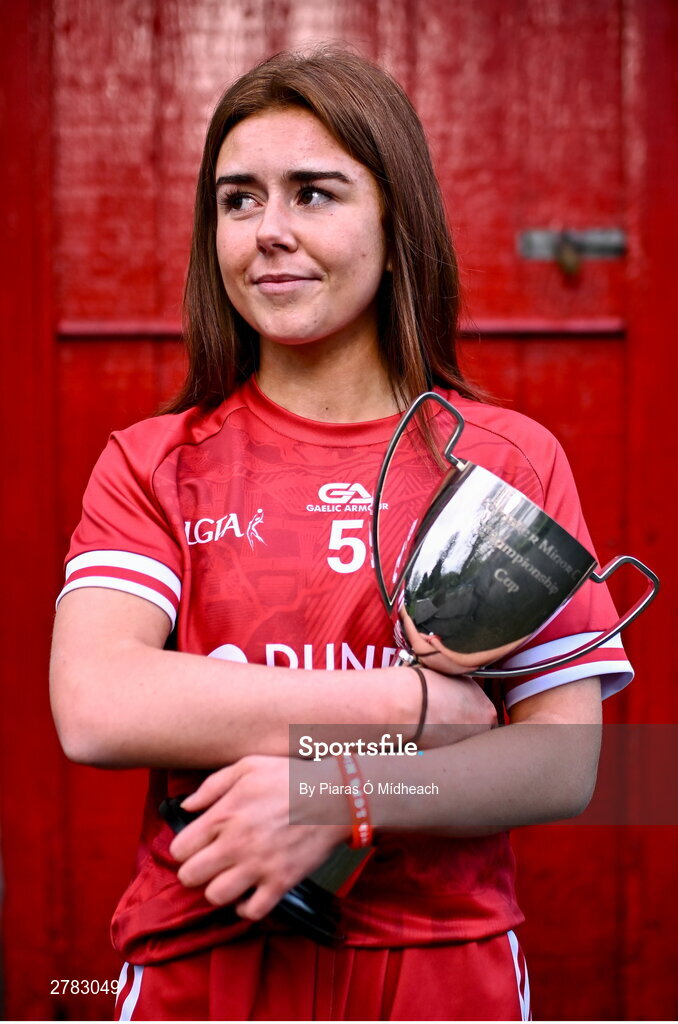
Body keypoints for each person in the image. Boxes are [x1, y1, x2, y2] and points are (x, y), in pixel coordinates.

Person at [49, 47, 633, 1022]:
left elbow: (564, 761)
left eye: (313, 193)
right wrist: (407, 700)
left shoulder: (502, 462)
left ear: (398, 228)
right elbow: (99, 704)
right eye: (238, 201)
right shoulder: (154, 461)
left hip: (443, 963)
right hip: (200, 957)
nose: (269, 232)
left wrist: (340, 790)